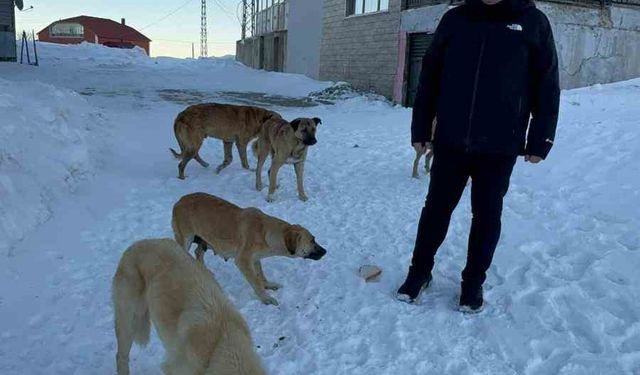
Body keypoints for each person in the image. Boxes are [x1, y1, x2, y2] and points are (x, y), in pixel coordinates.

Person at [397, 0, 560, 312]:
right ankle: (419, 272)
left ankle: (473, 282)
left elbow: (547, 84)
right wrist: (421, 129)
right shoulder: (455, 19)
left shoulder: (532, 22)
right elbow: (430, 77)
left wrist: (541, 139)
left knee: (486, 216)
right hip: (451, 139)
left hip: (500, 144)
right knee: (436, 210)